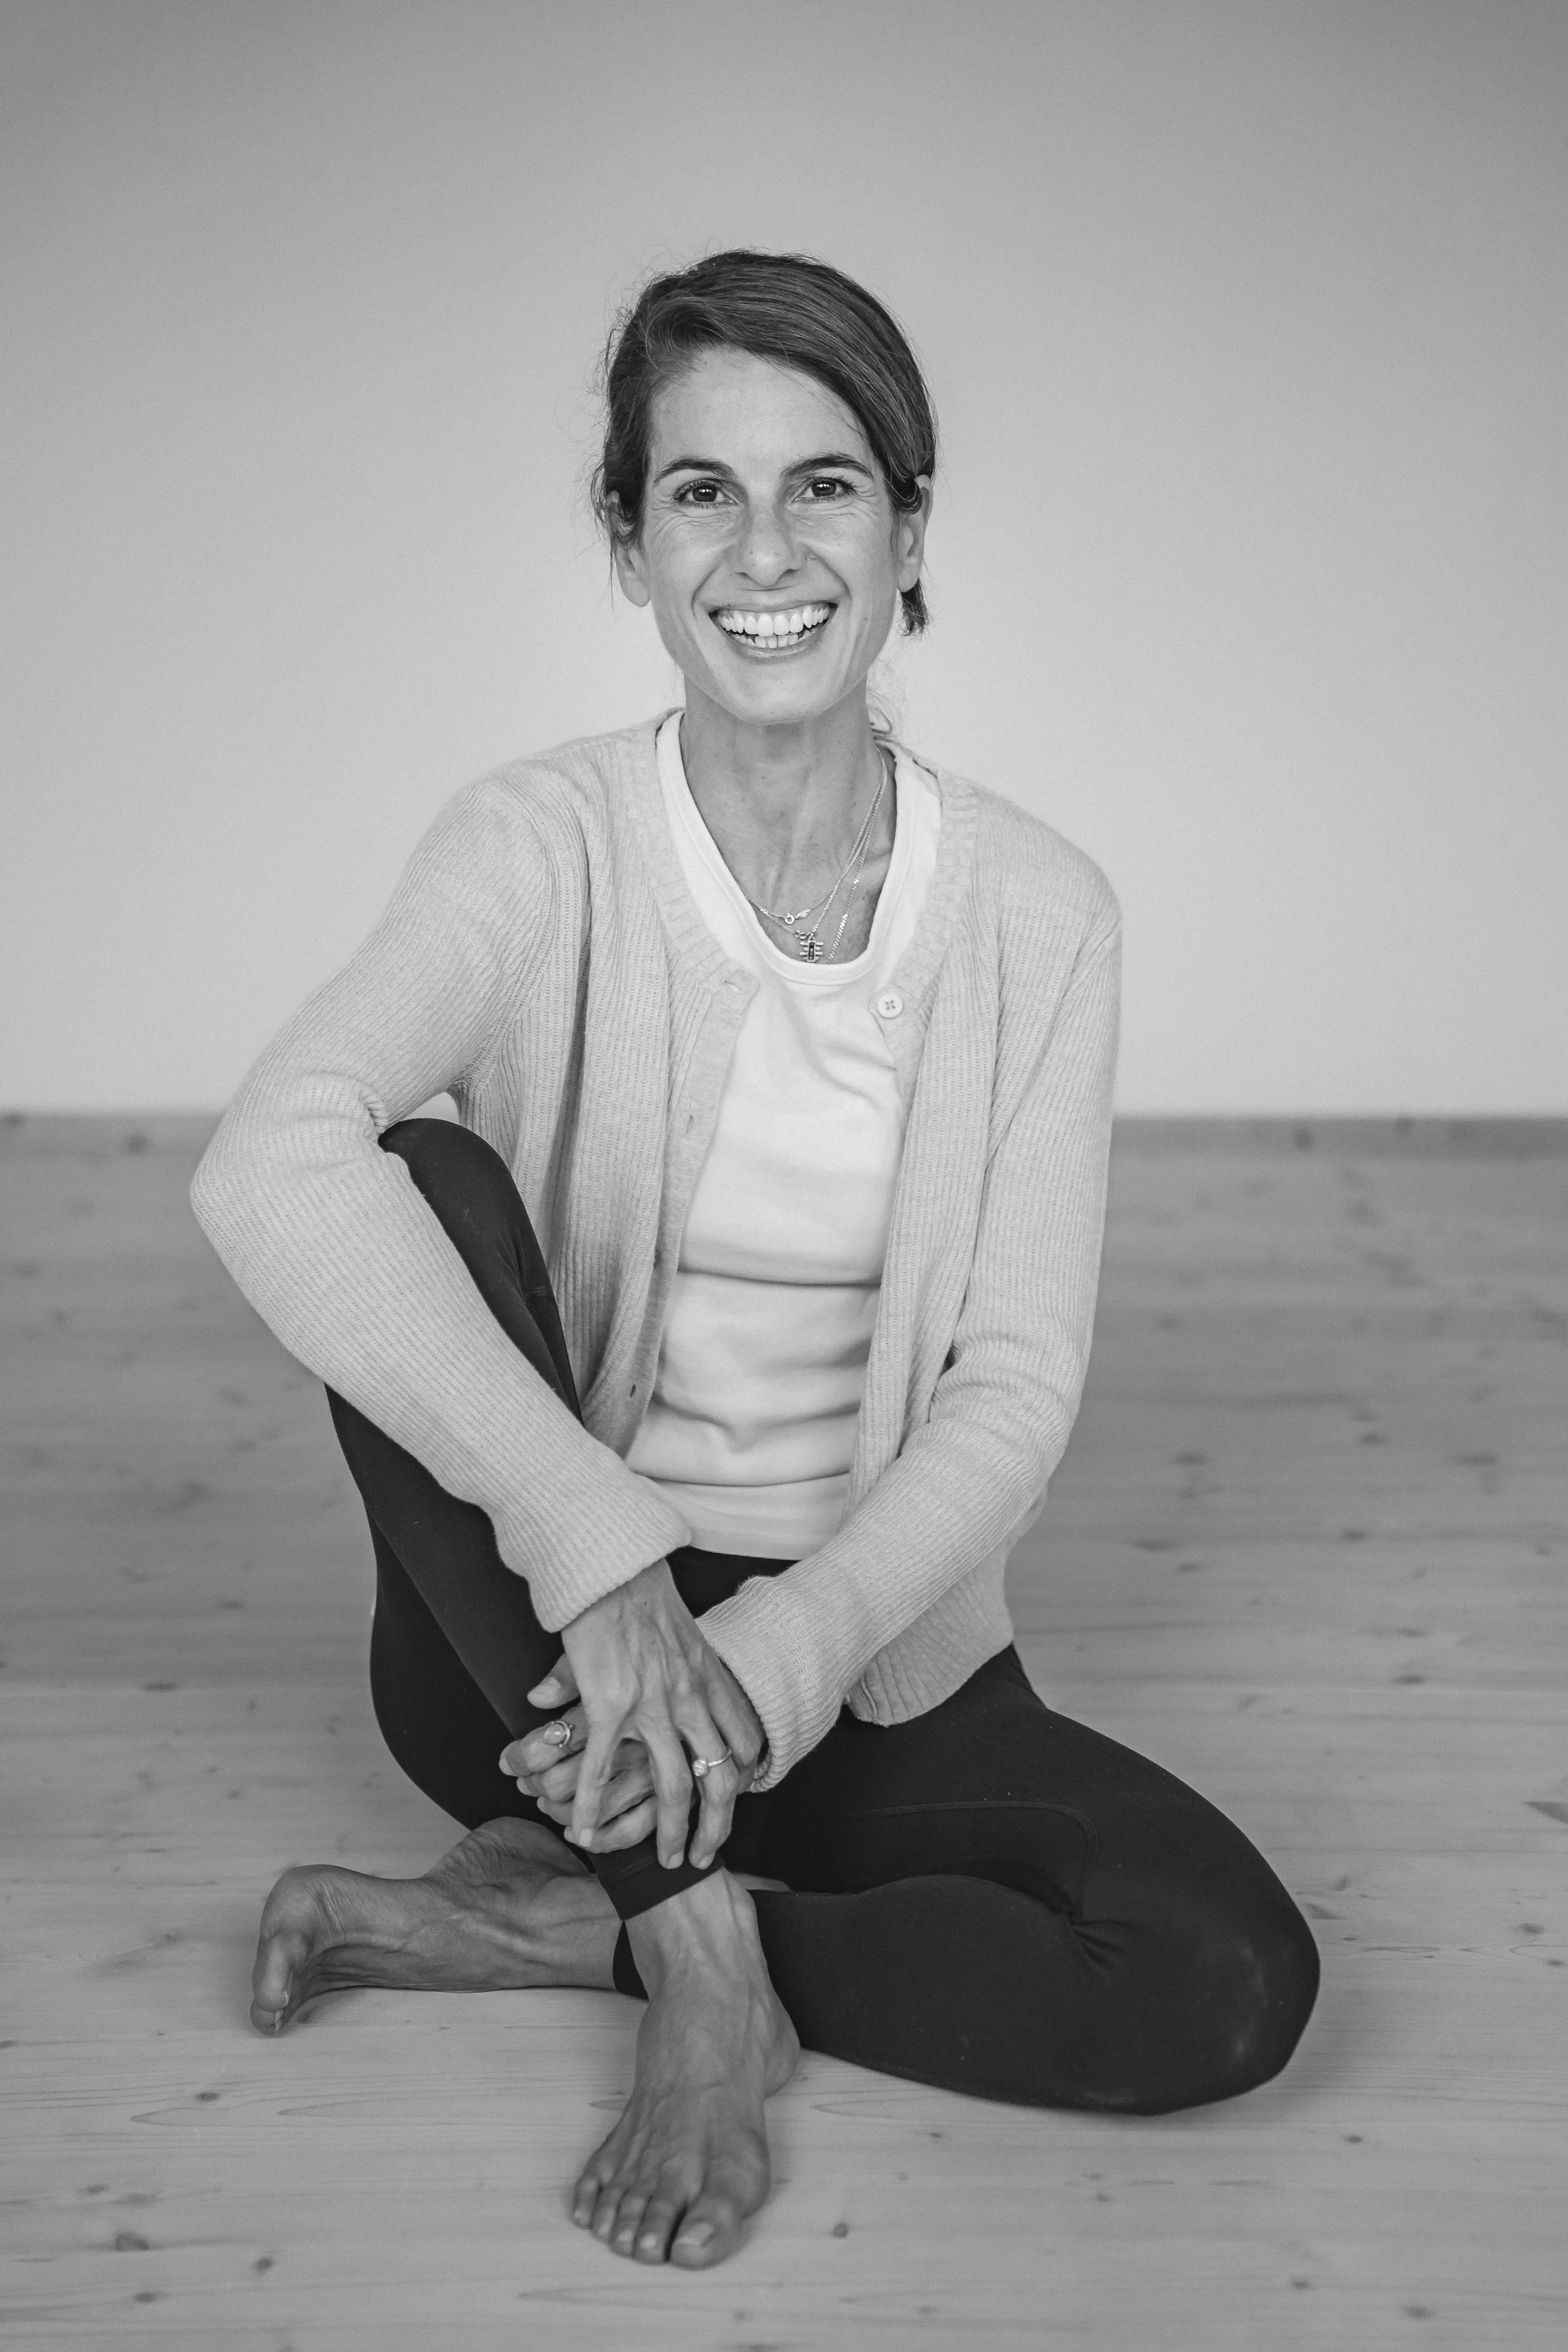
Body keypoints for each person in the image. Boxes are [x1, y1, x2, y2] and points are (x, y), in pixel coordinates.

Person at [191, 248, 1318, 2271]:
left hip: (846, 1667)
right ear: (627, 545)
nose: (767, 546)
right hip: (530, 1661)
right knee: (408, 1184)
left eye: (827, 482)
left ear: (907, 533)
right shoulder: (535, 845)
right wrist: (604, 1556)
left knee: (1223, 1976)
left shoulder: (1040, 914)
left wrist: (778, 1659)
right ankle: (699, 1965)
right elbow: (261, 1164)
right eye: (700, 490)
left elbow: (1012, 1384)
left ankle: (589, 1915)